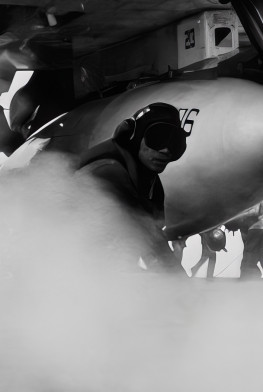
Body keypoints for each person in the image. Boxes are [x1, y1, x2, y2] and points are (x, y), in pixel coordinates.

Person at [75, 102, 189, 272]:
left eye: (175, 143)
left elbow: (149, 241)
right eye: (157, 138)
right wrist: (182, 286)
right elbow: (150, 238)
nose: (166, 150)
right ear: (133, 137)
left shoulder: (150, 183)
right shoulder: (108, 171)